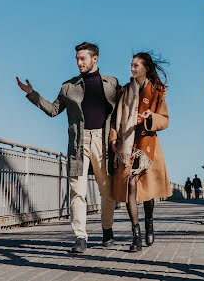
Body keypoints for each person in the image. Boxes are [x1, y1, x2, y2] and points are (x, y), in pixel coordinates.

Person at [16, 42, 118, 253]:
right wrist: (32, 94)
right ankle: (80, 236)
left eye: (83, 59)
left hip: (103, 141)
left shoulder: (111, 84)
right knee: (77, 192)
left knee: (107, 191)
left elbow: (122, 110)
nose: (79, 63)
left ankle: (107, 230)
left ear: (94, 59)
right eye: (77, 59)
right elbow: (54, 110)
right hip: (78, 144)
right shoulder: (68, 87)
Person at [110, 52, 171, 252]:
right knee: (132, 186)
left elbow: (164, 119)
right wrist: (113, 138)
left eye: (136, 65)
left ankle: (149, 222)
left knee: (147, 192)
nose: (132, 68)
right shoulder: (125, 91)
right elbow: (115, 119)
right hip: (127, 146)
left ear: (145, 68)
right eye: (131, 65)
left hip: (147, 145)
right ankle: (136, 235)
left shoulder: (156, 91)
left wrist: (149, 117)